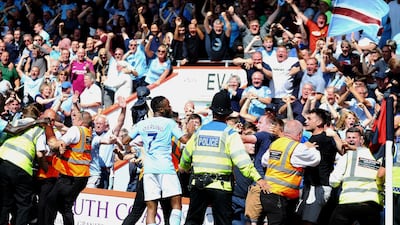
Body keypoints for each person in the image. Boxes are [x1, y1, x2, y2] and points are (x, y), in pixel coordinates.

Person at [179, 90, 269, 225]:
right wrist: (259, 179)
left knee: (193, 221)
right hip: (221, 186)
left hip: (198, 185)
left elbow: (186, 155)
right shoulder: (229, 134)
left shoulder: (200, 131)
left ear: (212, 112)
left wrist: (183, 167)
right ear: (227, 114)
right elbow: (242, 161)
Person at [122, 96, 192, 225]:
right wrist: (193, 132)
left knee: (151, 209)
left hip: (148, 170)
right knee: (176, 203)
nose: (170, 107)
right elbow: (185, 141)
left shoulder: (142, 124)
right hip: (166, 168)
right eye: (168, 105)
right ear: (161, 109)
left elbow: (125, 141)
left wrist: (134, 149)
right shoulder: (169, 123)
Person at [258, 120, 321, 225]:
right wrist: (311, 147)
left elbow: (264, 161)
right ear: (300, 134)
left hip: (267, 193)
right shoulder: (297, 148)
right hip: (280, 195)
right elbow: (316, 160)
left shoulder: (275, 144)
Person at [0, 104, 54, 225]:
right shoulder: (38, 129)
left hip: (3, 162)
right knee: (23, 205)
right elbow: (40, 154)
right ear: (37, 116)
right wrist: (46, 168)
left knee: (4, 202)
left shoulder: (14, 123)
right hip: (21, 167)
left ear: (23, 114)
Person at [45, 109, 93, 225]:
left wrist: (54, 144)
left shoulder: (76, 130)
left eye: (75, 117)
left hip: (71, 175)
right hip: (82, 176)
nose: (73, 119)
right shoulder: (87, 133)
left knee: (51, 201)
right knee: (64, 205)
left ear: (80, 121)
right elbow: (64, 128)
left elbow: (61, 142)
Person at [328, 127, 384, 225]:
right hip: (370, 204)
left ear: (362, 140)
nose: (351, 140)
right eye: (349, 137)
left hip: (347, 203)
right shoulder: (379, 158)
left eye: (354, 137)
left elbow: (334, 181)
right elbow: (381, 177)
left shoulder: (348, 156)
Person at [298, 108, 342, 225]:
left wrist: (335, 136)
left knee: (309, 221)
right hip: (310, 185)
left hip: (319, 186)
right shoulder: (311, 139)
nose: (306, 121)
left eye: (309, 119)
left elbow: (342, 151)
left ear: (319, 122)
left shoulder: (326, 138)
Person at [88, 96, 126, 189]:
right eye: (96, 123)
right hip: (91, 170)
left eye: (100, 124)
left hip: (105, 171)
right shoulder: (90, 135)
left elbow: (120, 123)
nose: (97, 126)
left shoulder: (110, 134)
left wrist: (123, 109)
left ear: (106, 125)